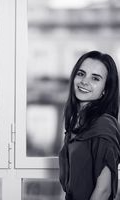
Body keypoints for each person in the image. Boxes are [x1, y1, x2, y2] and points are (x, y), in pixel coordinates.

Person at [59, 50, 120, 200]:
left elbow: (103, 191)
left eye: (95, 78)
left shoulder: (104, 125)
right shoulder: (76, 123)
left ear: (105, 89)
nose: (84, 81)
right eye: (81, 74)